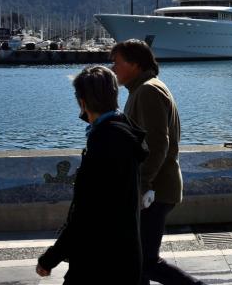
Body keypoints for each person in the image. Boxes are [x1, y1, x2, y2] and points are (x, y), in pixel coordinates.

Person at [36, 65, 149, 284]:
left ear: (82, 101)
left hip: (99, 262)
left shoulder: (104, 141)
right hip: (125, 256)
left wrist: (50, 258)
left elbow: (86, 213)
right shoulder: (123, 130)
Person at [111, 40, 204, 285]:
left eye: (117, 63)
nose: (113, 68)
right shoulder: (142, 90)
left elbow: (157, 143)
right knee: (137, 262)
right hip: (155, 188)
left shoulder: (148, 91)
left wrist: (142, 183)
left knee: (146, 262)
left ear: (135, 64)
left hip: (155, 190)